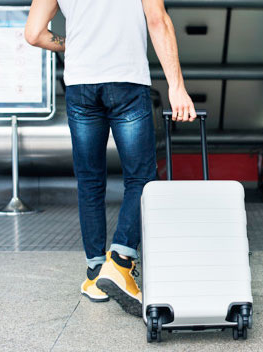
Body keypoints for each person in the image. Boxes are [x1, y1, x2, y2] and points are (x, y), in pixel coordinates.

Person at [25, 0, 196, 317]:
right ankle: (119, 262)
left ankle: (94, 274)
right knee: (141, 178)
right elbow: (157, 20)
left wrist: (71, 44)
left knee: (89, 180)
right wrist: (177, 86)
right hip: (126, 80)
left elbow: (34, 34)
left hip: (80, 84)